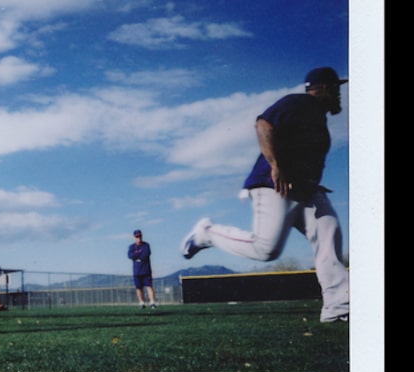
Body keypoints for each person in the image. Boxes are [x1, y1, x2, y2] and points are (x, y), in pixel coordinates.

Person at [180, 66, 350, 323]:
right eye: (338, 88)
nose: (340, 94)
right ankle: (207, 233)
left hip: (306, 191)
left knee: (329, 231)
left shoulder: (317, 118)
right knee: (265, 249)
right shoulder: (300, 102)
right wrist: (275, 165)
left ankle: (339, 307)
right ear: (325, 87)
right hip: (275, 184)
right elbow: (263, 124)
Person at [128, 229, 157, 309]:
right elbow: (130, 255)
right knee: (138, 288)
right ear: (134, 237)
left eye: (140, 236)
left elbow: (145, 254)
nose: (139, 238)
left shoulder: (146, 245)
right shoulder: (131, 247)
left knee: (149, 286)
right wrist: (137, 256)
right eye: (137, 237)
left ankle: (152, 303)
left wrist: (137, 256)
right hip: (137, 271)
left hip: (146, 270)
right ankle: (141, 303)